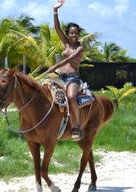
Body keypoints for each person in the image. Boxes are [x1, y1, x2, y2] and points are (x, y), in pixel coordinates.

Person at [47, 0, 84, 141]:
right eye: (71, 33)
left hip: (72, 79)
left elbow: (70, 59)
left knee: (70, 97)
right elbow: (57, 28)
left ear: (79, 34)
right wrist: (55, 11)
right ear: (68, 34)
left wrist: (54, 66)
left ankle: (76, 126)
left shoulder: (80, 48)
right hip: (59, 77)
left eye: (76, 33)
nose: (73, 35)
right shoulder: (66, 43)